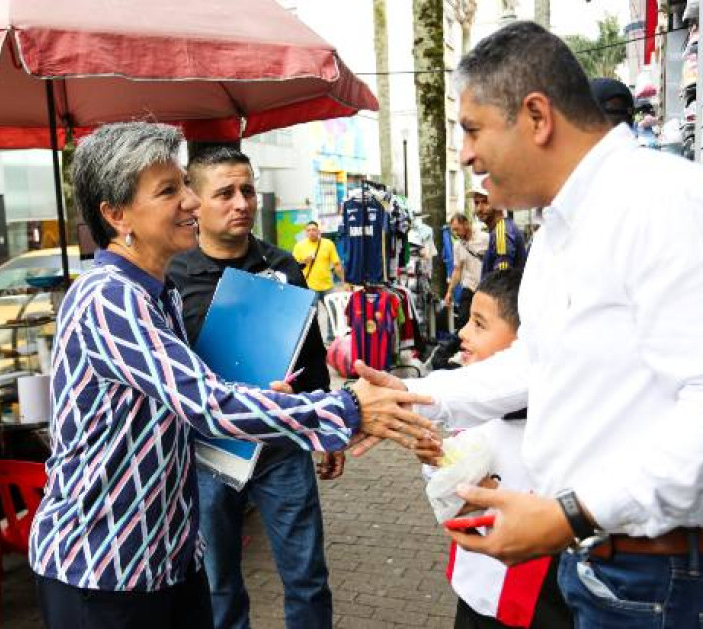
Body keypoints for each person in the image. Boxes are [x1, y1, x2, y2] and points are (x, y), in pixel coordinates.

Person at [355, 22, 703, 627]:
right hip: (608, 568)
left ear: (536, 116)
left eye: (473, 129)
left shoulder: (668, 206)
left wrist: (571, 514)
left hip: (675, 584)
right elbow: (539, 364)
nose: (465, 154)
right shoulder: (564, 231)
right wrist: (412, 397)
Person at [28, 122, 433, 629]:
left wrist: (267, 399)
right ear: (116, 215)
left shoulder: (159, 295)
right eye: (170, 190)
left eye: (186, 186)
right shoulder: (110, 297)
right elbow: (208, 403)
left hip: (168, 559)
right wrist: (349, 407)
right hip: (107, 569)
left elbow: (187, 401)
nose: (192, 204)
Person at [168, 147, 343, 629]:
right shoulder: (171, 277)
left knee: (307, 579)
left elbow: (310, 355)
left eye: (247, 189)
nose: (242, 202)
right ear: (194, 202)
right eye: (224, 193)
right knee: (218, 583)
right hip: (209, 453)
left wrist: (324, 427)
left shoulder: (283, 265)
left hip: (281, 445)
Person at [416, 269, 571, 629]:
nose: (462, 334)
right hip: (473, 591)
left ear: (526, 345)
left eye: (479, 324)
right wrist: (438, 462)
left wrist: (494, 495)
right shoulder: (476, 411)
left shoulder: (556, 430)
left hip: (533, 605)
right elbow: (448, 497)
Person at [292, 220, 346, 343]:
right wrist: (304, 261)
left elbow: (337, 264)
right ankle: (315, 342)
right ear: (305, 233)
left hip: (328, 286)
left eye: (314, 230)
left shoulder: (328, 244)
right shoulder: (300, 246)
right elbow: (294, 266)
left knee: (334, 312)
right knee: (312, 317)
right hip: (310, 287)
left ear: (318, 231)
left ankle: (331, 339)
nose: (311, 232)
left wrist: (345, 281)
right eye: (309, 230)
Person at [444, 213, 487, 330]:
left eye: (457, 229)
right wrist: (449, 291)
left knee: (483, 322)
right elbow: (457, 270)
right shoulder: (458, 245)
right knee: (462, 320)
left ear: (466, 224)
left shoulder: (485, 238)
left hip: (485, 288)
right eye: (453, 230)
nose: (455, 233)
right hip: (469, 287)